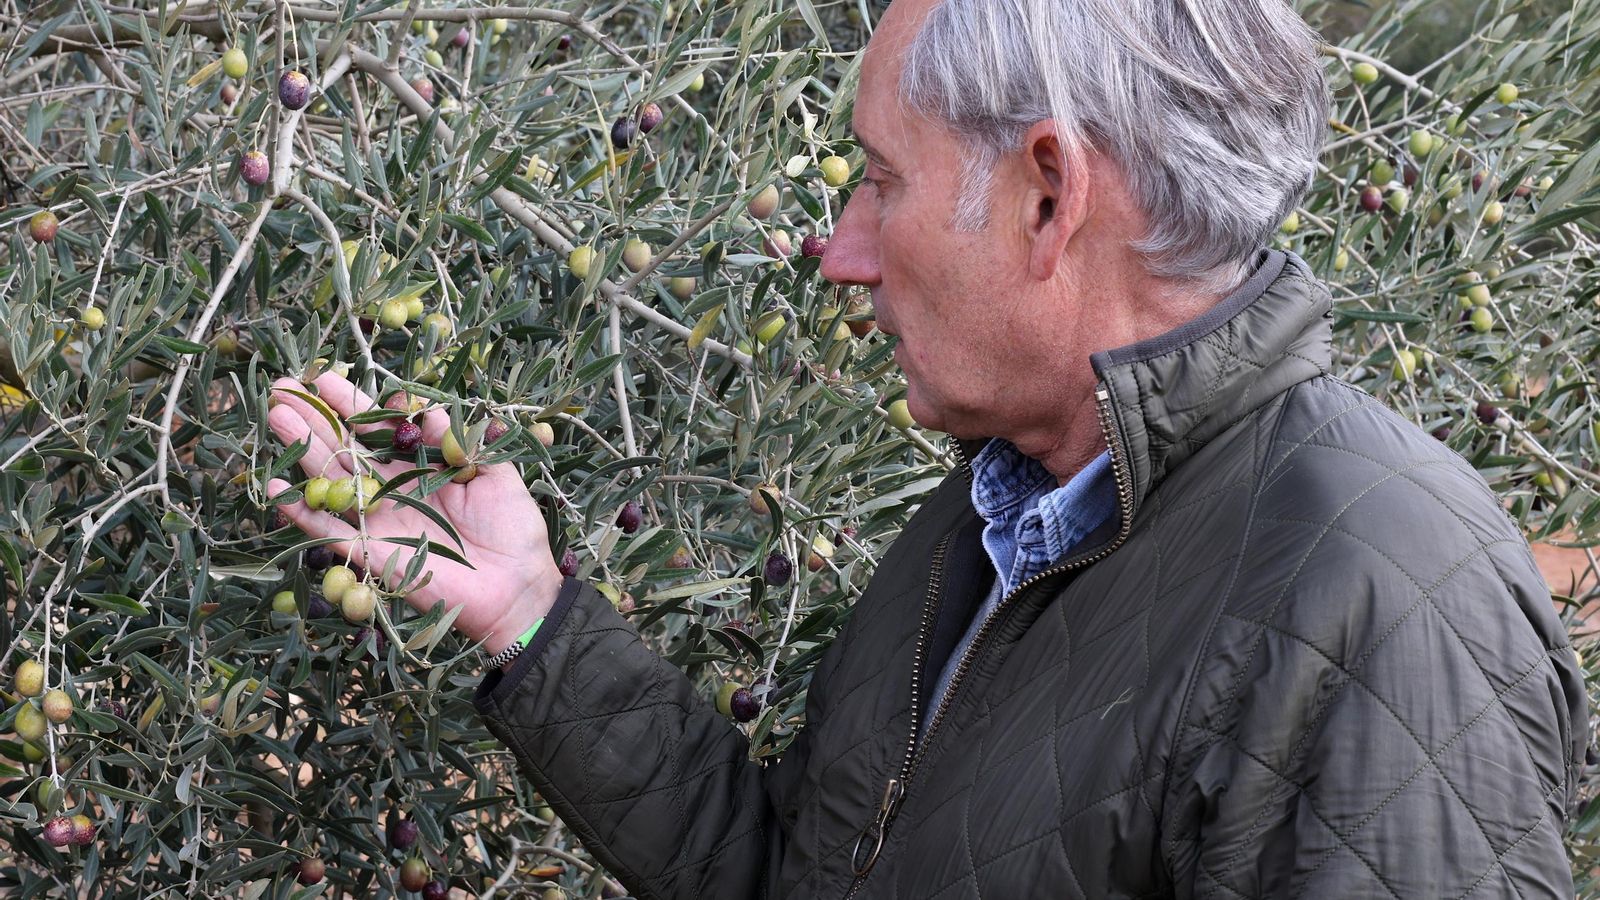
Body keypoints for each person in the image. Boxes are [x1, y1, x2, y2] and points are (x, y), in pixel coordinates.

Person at [266, 0, 1589, 895]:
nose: (839, 252)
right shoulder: (1010, 513)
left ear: (1049, 196)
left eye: (882, 181)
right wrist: (534, 616)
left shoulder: (1377, 601)